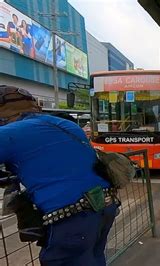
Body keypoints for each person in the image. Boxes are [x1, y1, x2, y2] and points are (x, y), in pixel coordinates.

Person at [0, 85, 118, 265]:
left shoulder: (9, 133)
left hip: (72, 219)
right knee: (93, 259)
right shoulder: (66, 124)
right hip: (104, 206)